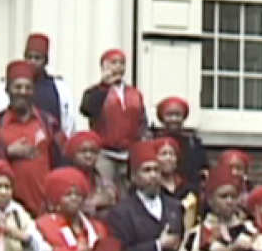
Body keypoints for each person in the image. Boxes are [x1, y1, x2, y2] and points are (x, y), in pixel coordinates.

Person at [107, 140, 186, 251]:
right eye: (146, 170)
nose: (153, 175)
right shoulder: (121, 213)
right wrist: (157, 246)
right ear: (134, 177)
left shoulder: (174, 207)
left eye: (156, 170)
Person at [0, 60, 62, 216]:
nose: (23, 91)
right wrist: (7, 152)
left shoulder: (49, 124)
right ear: (7, 89)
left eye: (27, 87)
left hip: (44, 210)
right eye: (17, 87)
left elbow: (60, 163)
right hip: (6, 211)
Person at [80, 49, 150, 185]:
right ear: (104, 66)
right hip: (105, 152)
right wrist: (104, 86)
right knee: (106, 188)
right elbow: (87, 109)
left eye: (121, 63)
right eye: (113, 63)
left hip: (129, 152)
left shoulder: (134, 93)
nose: (118, 66)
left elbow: (142, 120)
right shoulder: (95, 92)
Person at [0, 33, 77, 138]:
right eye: (29, 57)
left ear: (46, 60)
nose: (32, 62)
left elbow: (68, 121)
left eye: (37, 58)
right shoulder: (4, 87)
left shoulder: (60, 88)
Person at [152, 97, 209, 190]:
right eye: (169, 115)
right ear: (162, 117)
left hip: (189, 190)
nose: (174, 119)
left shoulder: (193, 143)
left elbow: (203, 169)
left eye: (178, 115)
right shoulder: (153, 140)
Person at [66, 131, 120, 218]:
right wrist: (94, 203)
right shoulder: (65, 179)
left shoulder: (100, 178)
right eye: (83, 151)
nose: (88, 156)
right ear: (73, 154)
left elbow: (112, 195)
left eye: (93, 152)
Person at [155, 137, 199, 231]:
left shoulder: (188, 188)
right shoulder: (151, 188)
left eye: (172, 154)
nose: (168, 158)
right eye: (163, 154)